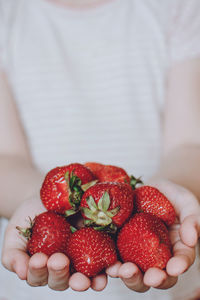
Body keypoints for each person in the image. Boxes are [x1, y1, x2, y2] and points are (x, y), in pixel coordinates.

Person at [0, 0, 200, 299]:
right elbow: (6, 157)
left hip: (169, 286)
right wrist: (43, 203)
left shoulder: (177, 7)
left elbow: (189, 144)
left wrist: (170, 195)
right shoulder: (7, 17)